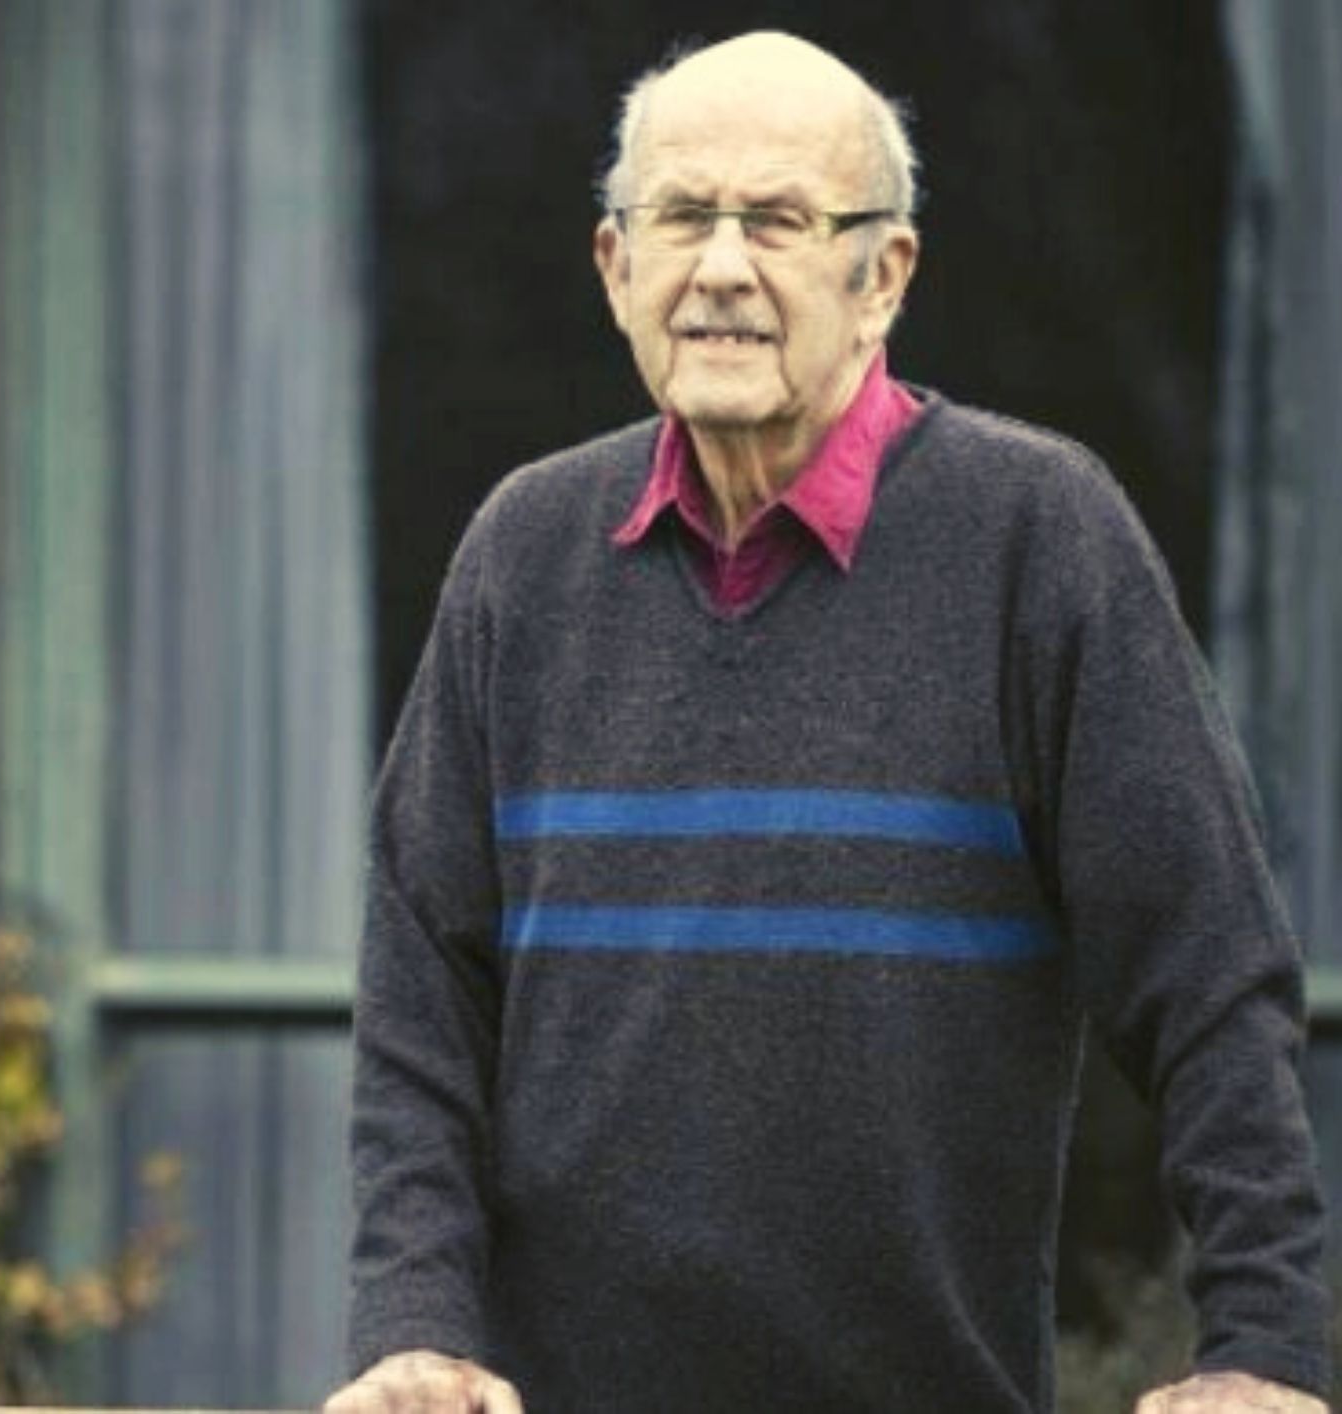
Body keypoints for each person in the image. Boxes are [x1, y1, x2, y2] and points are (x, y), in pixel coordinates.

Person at [327, 30, 1331, 1414]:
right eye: (680, 217)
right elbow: (422, 1000)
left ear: (883, 278)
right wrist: (413, 1324)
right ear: (615, 265)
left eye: (783, 222)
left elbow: (1210, 979)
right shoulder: (523, 554)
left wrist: (1262, 1346)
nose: (721, 266)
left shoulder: (1036, 539)